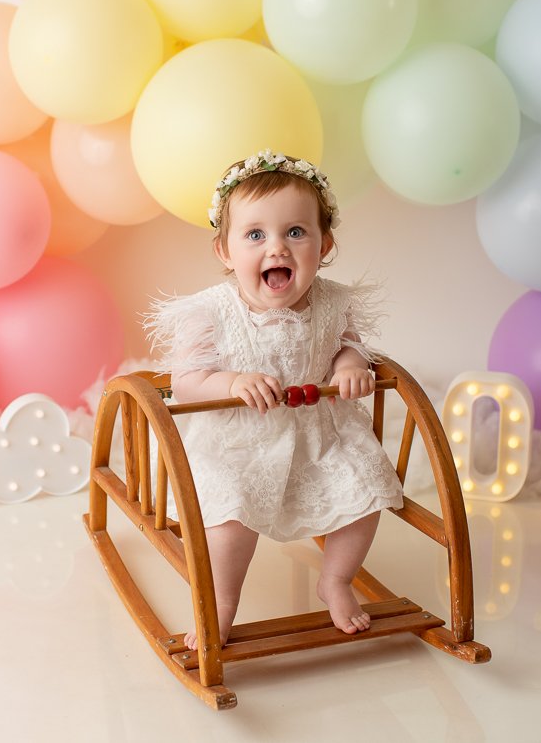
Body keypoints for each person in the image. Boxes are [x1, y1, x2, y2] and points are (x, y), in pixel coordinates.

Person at [145, 149, 404, 650]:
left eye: (296, 232)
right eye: (255, 235)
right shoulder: (211, 311)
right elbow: (188, 380)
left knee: (367, 489)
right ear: (225, 251)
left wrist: (350, 365)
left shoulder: (333, 303)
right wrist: (231, 382)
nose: (277, 248)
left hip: (317, 435)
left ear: (325, 244)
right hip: (238, 441)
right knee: (231, 520)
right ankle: (219, 603)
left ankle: (336, 580)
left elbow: (346, 345)